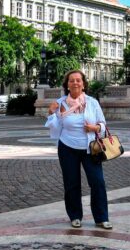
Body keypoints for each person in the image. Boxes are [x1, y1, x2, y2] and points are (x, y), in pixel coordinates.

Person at [45, 70, 112, 230]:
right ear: (67, 85)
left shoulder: (92, 102)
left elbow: (103, 125)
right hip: (67, 147)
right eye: (71, 81)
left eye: (78, 80)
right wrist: (51, 113)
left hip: (90, 149)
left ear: (83, 84)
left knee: (98, 182)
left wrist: (95, 127)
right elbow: (54, 127)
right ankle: (75, 216)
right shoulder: (60, 103)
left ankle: (101, 217)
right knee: (71, 183)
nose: (75, 83)